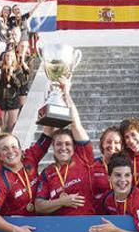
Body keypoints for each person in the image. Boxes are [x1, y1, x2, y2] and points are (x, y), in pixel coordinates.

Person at [34, 84, 96, 215]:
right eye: (59, 144)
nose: (63, 148)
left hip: (87, 223)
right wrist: (62, 202)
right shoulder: (47, 172)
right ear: (53, 146)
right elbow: (39, 206)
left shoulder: (83, 159)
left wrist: (66, 93)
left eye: (68, 144)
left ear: (74, 147)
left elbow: (75, 124)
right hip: (58, 228)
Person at [0, 128, 54, 232]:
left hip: (44, 224)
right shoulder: (1, 180)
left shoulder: (30, 158)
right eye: (4, 149)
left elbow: (48, 133)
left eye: (13, 146)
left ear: (20, 150)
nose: (10, 151)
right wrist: (16, 230)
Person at [89, 155, 139, 232]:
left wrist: (114, 231)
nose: (123, 180)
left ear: (132, 177)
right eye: (117, 175)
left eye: (127, 175)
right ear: (109, 178)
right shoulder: (106, 198)